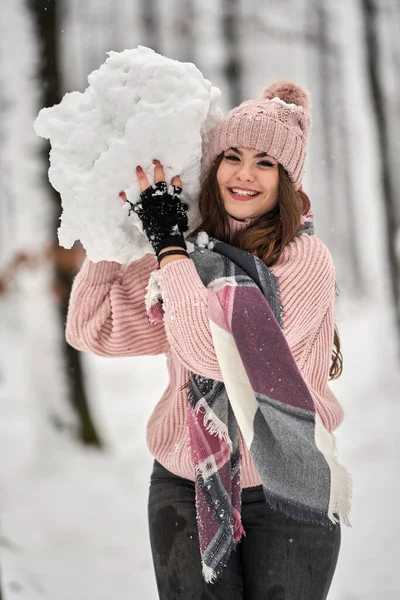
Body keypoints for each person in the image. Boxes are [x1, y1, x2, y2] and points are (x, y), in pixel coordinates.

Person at [66, 80, 350, 600]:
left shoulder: (304, 264)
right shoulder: (191, 255)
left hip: (287, 485)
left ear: (288, 181)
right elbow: (94, 328)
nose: (244, 174)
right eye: (232, 156)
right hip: (184, 481)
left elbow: (219, 358)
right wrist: (112, 224)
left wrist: (169, 249)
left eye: (265, 162)